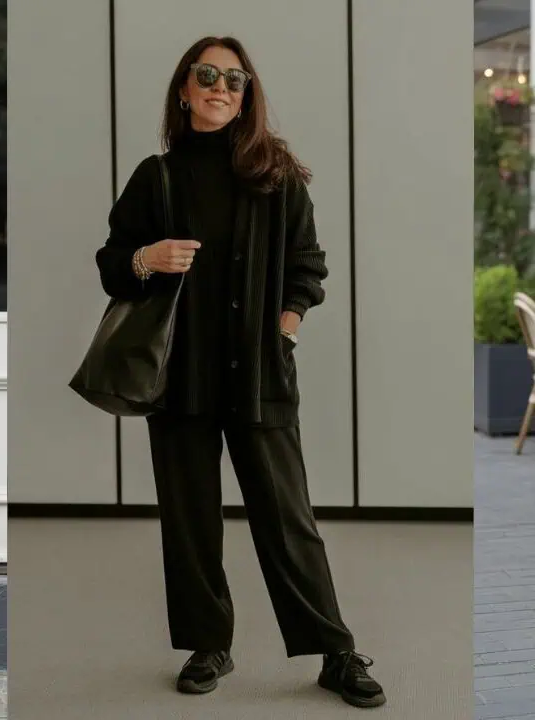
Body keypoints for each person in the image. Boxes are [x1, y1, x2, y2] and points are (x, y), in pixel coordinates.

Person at [95, 36, 386, 709]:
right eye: (207, 75)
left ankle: (335, 652)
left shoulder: (274, 174)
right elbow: (112, 263)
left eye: (235, 79)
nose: (220, 87)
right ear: (184, 89)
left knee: (287, 518)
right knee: (189, 518)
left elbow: (307, 266)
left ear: (246, 93)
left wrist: (285, 330)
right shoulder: (156, 177)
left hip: (259, 373)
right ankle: (209, 644)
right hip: (178, 375)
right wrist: (147, 258)